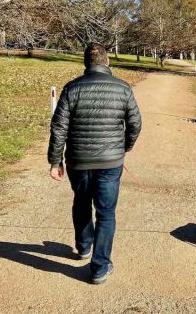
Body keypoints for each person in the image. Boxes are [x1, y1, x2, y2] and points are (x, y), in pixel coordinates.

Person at [47, 42, 142, 284]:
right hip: (110, 162)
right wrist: (125, 147)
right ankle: (99, 267)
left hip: (78, 161)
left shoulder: (72, 88)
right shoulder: (123, 88)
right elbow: (135, 124)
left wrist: (55, 161)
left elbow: (59, 128)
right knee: (106, 212)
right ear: (107, 62)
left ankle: (84, 245)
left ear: (86, 64)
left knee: (81, 202)